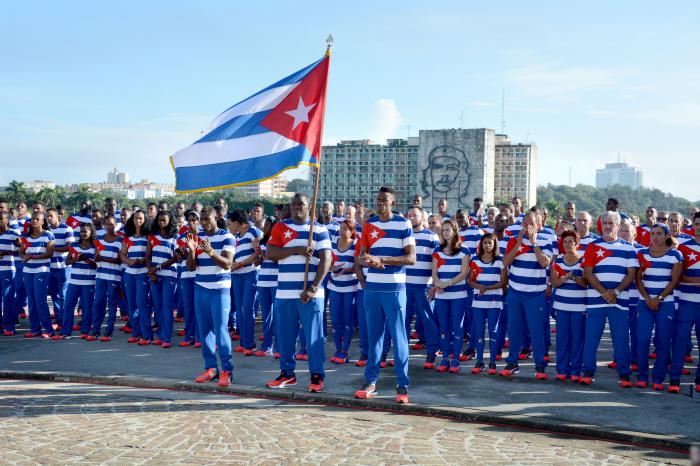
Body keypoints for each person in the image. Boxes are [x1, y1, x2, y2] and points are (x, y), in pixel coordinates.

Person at [353, 187, 415, 403]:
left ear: (393, 203)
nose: (380, 204)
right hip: (372, 289)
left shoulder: (403, 223)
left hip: (395, 290)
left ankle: (402, 385)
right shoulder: (369, 224)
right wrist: (367, 261)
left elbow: (411, 258)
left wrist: (383, 261)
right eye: (378, 200)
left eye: (384, 201)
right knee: (374, 339)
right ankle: (371, 381)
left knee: (399, 339)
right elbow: (362, 256)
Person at [265, 193, 331, 392]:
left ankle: (317, 376)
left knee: (313, 338)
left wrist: (313, 287)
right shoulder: (280, 227)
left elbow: (326, 260)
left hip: (310, 294)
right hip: (284, 293)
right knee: (285, 338)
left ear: (309, 206)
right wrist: (297, 250)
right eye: (294, 204)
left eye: (301, 204)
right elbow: (270, 253)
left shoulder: (319, 230)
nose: (296, 207)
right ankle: (287, 374)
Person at [580, 211, 638, 387]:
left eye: (610, 223)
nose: (607, 226)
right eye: (604, 223)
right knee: (591, 339)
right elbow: (587, 272)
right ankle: (588, 372)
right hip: (596, 301)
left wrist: (616, 292)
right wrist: (606, 292)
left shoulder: (629, 248)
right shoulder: (592, 246)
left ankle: (624, 375)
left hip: (619, 302)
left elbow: (632, 274)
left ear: (618, 226)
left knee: (621, 340)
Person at [499, 211, 553, 379]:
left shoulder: (546, 241)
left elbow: (545, 263)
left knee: (536, 332)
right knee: (514, 331)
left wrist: (533, 243)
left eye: (530, 224)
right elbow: (505, 262)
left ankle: (540, 367)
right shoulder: (512, 240)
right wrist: (519, 243)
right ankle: (512, 363)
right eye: (524, 223)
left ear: (537, 225)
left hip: (535, 295)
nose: (526, 227)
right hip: (515, 292)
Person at [186, 207, 235, 387]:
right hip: (200, 289)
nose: (204, 222)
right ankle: (211, 369)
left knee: (221, 331)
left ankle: (227, 371)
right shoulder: (196, 238)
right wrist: (192, 251)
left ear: (217, 218)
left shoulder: (227, 237)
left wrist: (211, 252)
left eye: (208, 219)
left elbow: (228, 264)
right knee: (204, 331)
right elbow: (191, 268)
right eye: (202, 220)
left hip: (219, 290)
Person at [634, 224, 682, 390]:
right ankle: (641, 376)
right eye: (652, 233)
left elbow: (674, 280)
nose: (655, 237)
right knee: (642, 340)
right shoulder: (642, 254)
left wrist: (659, 298)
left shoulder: (675, 255)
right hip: (645, 303)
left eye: (659, 234)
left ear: (667, 235)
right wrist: (648, 299)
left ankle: (658, 378)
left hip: (665, 303)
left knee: (662, 342)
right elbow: (638, 279)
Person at [430, 219, 470, 374]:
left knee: (457, 327)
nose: (445, 232)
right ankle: (445, 357)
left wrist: (447, 284)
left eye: (448, 230)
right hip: (441, 296)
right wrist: (438, 283)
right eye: (443, 230)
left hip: (458, 295)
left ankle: (456, 359)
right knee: (443, 327)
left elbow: (464, 272)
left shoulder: (464, 250)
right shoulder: (437, 251)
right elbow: (434, 271)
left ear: (455, 231)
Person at [405, 206, 441, 369]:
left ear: (422, 218)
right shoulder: (404, 235)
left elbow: (437, 264)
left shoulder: (432, 237)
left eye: (415, 215)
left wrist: (434, 285)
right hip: (404, 287)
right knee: (402, 322)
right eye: (410, 215)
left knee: (427, 321)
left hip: (423, 287)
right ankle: (401, 355)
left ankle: (431, 354)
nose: (412, 217)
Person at [551, 230, 588, 381]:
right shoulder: (558, 260)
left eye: (570, 242)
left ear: (577, 243)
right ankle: (562, 369)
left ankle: (575, 371)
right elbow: (554, 283)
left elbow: (586, 283)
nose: (567, 244)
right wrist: (566, 278)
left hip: (579, 307)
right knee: (562, 339)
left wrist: (574, 276)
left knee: (577, 340)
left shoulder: (584, 260)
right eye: (565, 242)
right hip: (561, 306)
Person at [467, 232, 507, 375]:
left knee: (493, 332)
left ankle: (492, 362)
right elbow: (469, 280)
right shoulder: (475, 260)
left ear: (495, 244)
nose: (487, 245)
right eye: (485, 243)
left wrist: (487, 288)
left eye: (490, 242)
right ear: (481, 245)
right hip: (478, 302)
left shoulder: (500, 260)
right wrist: (479, 287)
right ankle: (479, 361)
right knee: (478, 331)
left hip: (494, 301)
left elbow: (503, 282)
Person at [669, 212, 700, 393]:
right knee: (679, 343)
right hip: (686, 304)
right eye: (697, 224)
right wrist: (696, 281)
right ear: (693, 226)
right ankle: (674, 379)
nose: (699, 227)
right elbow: (677, 277)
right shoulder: (684, 249)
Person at [53, 223, 97, 339]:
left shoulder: (95, 246)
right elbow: (67, 262)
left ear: (91, 232)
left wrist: (86, 260)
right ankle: (65, 331)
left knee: (87, 307)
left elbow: (97, 265)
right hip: (74, 281)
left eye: (85, 231)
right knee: (68, 306)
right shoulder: (74, 245)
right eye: (81, 231)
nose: (82, 234)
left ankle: (85, 331)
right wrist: (75, 259)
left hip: (89, 282)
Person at [227, 210, 261, 355]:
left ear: (237, 222)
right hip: (237, 276)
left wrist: (239, 264)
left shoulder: (252, 231)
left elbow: (258, 253)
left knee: (247, 309)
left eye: (229, 224)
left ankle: (250, 344)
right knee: (240, 310)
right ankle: (243, 343)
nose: (228, 227)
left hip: (250, 274)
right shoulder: (234, 236)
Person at [20, 212, 56, 338]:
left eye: (37, 219)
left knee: (40, 300)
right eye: (33, 219)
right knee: (32, 301)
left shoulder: (48, 235)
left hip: (42, 270)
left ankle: (49, 330)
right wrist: (24, 257)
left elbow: (50, 254)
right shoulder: (26, 236)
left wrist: (33, 257)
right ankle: (35, 329)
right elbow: (21, 252)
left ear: (43, 221)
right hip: (28, 271)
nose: (34, 221)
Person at [146, 211, 179, 348]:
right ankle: (159, 335)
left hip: (169, 276)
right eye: (159, 220)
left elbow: (176, 258)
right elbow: (148, 256)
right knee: (158, 307)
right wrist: (151, 272)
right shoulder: (152, 236)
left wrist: (158, 267)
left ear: (170, 221)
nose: (161, 222)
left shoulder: (175, 237)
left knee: (167, 307)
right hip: (155, 276)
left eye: (164, 220)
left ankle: (166, 338)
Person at [328, 220, 358, 364]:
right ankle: (337, 349)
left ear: (352, 231)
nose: (342, 231)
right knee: (335, 321)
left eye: (346, 228)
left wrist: (347, 270)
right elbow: (327, 262)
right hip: (334, 286)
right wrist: (331, 268)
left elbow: (358, 266)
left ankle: (345, 351)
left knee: (347, 321)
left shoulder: (356, 244)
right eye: (341, 228)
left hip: (350, 288)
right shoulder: (333, 243)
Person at [88, 216, 122, 341]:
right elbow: (95, 256)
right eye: (107, 224)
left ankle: (109, 331)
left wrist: (102, 258)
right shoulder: (99, 239)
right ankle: (96, 329)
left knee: (112, 304)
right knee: (98, 303)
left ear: (116, 225)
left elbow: (119, 260)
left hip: (114, 276)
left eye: (112, 224)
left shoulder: (120, 240)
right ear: (103, 225)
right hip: (100, 275)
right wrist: (96, 258)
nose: (109, 226)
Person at [120, 210, 150, 344]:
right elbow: (122, 255)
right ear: (132, 220)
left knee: (142, 304)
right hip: (129, 274)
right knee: (132, 305)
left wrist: (142, 261)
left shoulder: (148, 237)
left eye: (141, 218)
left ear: (145, 220)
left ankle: (147, 335)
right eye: (136, 218)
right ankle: (136, 333)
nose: (138, 221)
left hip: (143, 274)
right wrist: (130, 262)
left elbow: (150, 256)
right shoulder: (127, 237)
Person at [176, 210, 200, 348]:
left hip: (200, 276)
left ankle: (200, 337)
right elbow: (180, 255)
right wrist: (183, 252)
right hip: (186, 275)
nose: (191, 222)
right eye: (189, 220)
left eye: (194, 220)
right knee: (189, 307)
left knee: (199, 308)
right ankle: (189, 336)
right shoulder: (181, 237)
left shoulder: (202, 236)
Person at [255, 216, 278, 357]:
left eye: (268, 225)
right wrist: (260, 256)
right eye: (264, 225)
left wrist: (269, 255)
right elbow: (257, 262)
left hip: (276, 282)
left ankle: (279, 347)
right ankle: (266, 346)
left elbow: (280, 259)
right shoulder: (262, 242)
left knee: (278, 316)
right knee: (266, 316)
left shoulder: (278, 241)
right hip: (263, 282)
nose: (265, 227)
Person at [46, 208, 73, 326]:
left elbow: (70, 247)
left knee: (64, 296)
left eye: (51, 216)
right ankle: (59, 319)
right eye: (47, 216)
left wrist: (53, 248)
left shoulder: (67, 229)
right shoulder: (47, 230)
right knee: (54, 295)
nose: (49, 218)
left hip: (63, 267)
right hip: (50, 267)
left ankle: (66, 321)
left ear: (58, 217)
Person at [0, 211, 19, 335]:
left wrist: (4, 253)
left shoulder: (13, 234)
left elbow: (21, 251)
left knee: (8, 298)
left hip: (7, 269)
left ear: (7, 220)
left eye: (1, 219)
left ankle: (9, 326)